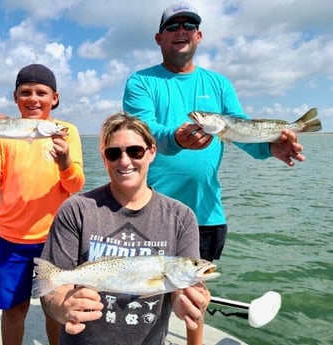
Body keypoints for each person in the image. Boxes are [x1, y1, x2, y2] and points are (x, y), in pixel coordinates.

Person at [122, 2, 306, 344]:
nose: (181, 31)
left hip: (204, 212)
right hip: (149, 211)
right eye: (173, 26)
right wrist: (175, 138)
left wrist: (269, 147)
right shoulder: (141, 82)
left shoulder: (218, 84)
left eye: (189, 25)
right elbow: (142, 132)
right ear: (159, 37)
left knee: (195, 293)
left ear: (199, 35)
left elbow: (240, 130)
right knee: (146, 293)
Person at [39, 112, 211, 345]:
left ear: (151, 152)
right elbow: (53, 289)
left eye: (135, 151)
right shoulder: (76, 209)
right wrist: (62, 307)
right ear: (104, 158)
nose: (125, 161)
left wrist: (186, 298)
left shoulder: (181, 217)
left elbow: (185, 287)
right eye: (113, 153)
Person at [0, 63, 85, 345]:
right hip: (11, 239)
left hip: (57, 239)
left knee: (55, 308)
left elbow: (75, 186)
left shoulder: (66, 131)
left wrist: (65, 163)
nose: (33, 98)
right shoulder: (3, 133)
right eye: (25, 92)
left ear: (54, 98)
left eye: (41, 92)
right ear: (15, 97)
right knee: (14, 310)